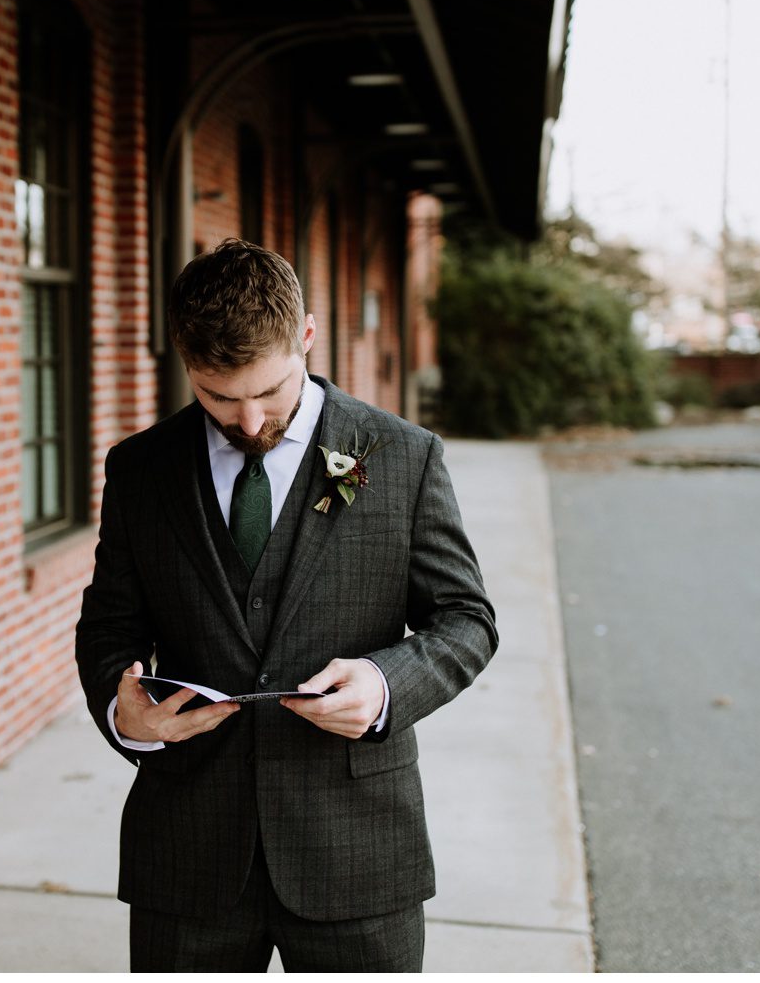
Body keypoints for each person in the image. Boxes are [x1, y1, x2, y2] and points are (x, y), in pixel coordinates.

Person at [75, 237, 497, 972]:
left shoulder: (402, 455)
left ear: (306, 337)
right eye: (217, 396)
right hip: (187, 850)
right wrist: (125, 712)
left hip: (358, 850)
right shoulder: (139, 469)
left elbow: (466, 621)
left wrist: (386, 685)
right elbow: (109, 627)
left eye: (268, 393)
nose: (245, 421)